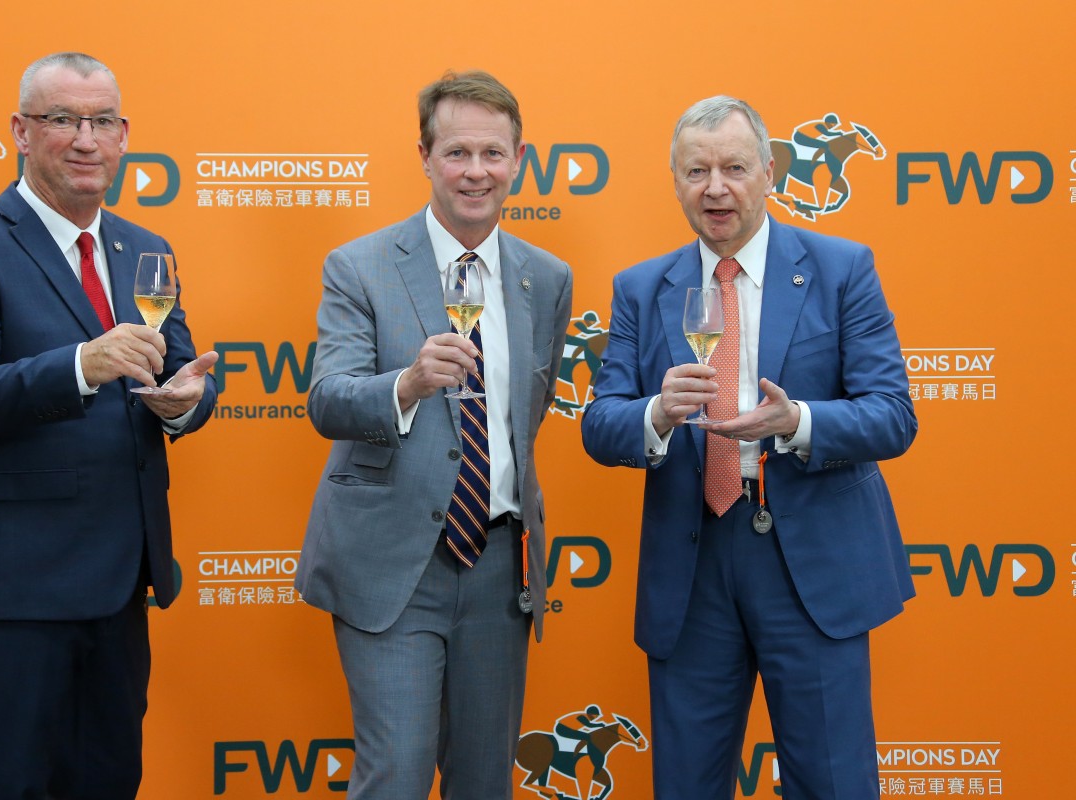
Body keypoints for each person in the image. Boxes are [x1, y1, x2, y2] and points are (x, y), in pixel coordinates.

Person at [581, 95, 916, 799]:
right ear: (675, 181)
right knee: (686, 785)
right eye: (696, 171)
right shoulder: (643, 290)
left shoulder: (841, 269)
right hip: (693, 565)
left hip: (812, 570)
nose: (716, 189)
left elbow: (892, 416)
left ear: (769, 172)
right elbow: (599, 423)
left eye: (734, 168)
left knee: (834, 784)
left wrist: (796, 423)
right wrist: (656, 414)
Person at [0, 51, 218, 799]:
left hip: (122, 582)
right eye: (62, 120)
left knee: (109, 782)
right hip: (17, 587)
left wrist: (184, 404)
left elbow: (179, 370)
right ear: (20, 131)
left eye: (101, 121)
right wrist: (82, 365)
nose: (85, 139)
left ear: (123, 135)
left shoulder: (146, 248)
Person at [295, 69, 573, 800]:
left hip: (499, 568)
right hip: (393, 568)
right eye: (456, 153)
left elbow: (526, 418)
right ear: (423, 156)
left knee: (485, 782)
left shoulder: (546, 278)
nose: (475, 172)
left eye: (492, 153)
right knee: (396, 775)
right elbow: (327, 399)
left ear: (518, 159)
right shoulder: (359, 265)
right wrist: (408, 384)